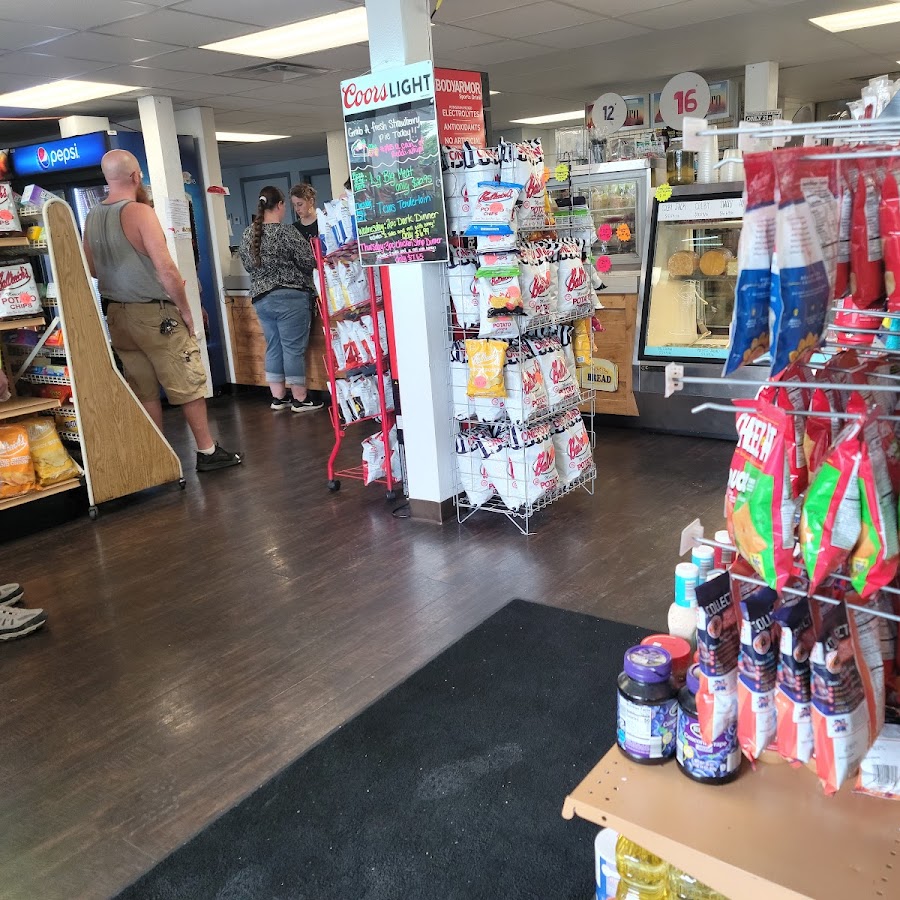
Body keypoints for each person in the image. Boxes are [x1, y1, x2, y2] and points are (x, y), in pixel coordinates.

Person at [83, 149, 241, 473]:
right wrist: (187, 310)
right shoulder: (140, 212)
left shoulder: (93, 216)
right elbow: (166, 269)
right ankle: (207, 451)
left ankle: (158, 458)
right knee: (186, 380)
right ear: (135, 176)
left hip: (117, 315)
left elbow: (93, 269)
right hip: (155, 315)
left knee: (143, 388)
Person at [239, 186, 323, 413]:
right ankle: (300, 399)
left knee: (273, 346)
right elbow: (309, 261)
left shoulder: (248, 234)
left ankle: (278, 398)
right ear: (279, 205)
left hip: (261, 299)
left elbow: (248, 265)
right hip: (290, 298)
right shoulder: (286, 232)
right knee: (293, 349)